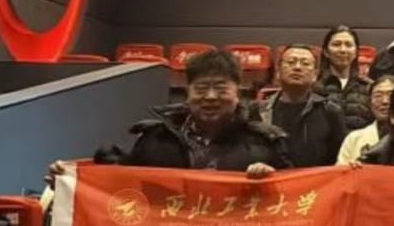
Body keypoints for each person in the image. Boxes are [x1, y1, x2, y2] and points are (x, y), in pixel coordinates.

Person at [93, 48, 287, 175]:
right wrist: (109, 166)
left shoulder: (264, 144)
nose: (210, 96)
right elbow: (131, 189)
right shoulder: (155, 139)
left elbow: (289, 199)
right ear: (187, 93)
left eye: (221, 89)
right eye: (201, 89)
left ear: (238, 93)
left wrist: (270, 180)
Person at [256, 45, 346, 168]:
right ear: (278, 72)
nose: (297, 67)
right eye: (291, 62)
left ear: (315, 75)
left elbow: (339, 160)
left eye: (305, 63)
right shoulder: (259, 111)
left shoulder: (330, 111)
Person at [317, 25, 374, 129]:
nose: (343, 50)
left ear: (356, 52)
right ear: (326, 52)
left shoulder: (368, 87)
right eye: (336, 44)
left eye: (348, 45)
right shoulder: (315, 85)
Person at [337, 75, 394, 165]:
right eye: (378, 96)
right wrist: (350, 169)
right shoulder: (354, 139)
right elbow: (339, 171)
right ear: (369, 102)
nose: (385, 101)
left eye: (391, 96)